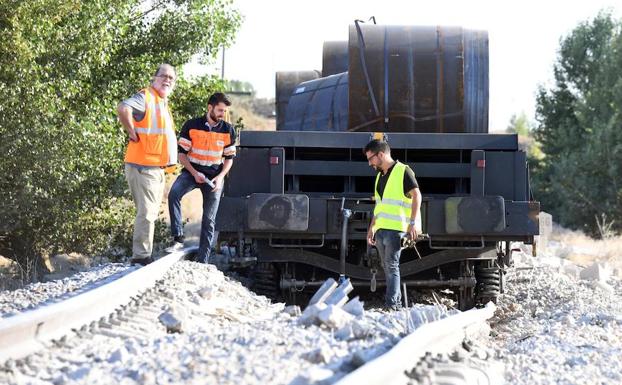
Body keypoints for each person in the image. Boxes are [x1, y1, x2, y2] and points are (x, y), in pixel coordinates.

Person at [117, 63, 178, 266]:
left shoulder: (161, 102)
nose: (167, 80)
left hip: (154, 167)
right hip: (144, 166)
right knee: (147, 212)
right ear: (154, 78)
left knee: (148, 211)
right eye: (164, 76)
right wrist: (131, 131)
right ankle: (141, 256)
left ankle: (143, 253)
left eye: (171, 78)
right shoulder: (146, 97)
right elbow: (123, 107)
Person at [166, 93, 236, 264]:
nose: (222, 114)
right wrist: (194, 172)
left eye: (224, 111)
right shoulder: (191, 125)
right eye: (220, 110)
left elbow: (229, 159)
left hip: (214, 178)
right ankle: (178, 238)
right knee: (173, 194)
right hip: (191, 172)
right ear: (209, 107)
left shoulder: (228, 129)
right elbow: (182, 155)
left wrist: (220, 178)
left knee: (209, 219)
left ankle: (202, 262)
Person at [364, 139, 422, 310]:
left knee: (391, 267)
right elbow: (379, 206)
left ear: (381, 154)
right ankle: (393, 304)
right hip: (381, 230)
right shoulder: (379, 177)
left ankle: (393, 305)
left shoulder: (403, 171)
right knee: (388, 268)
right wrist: (372, 228)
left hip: (396, 230)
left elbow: (417, 196)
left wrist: (412, 223)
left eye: (371, 158)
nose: (370, 163)